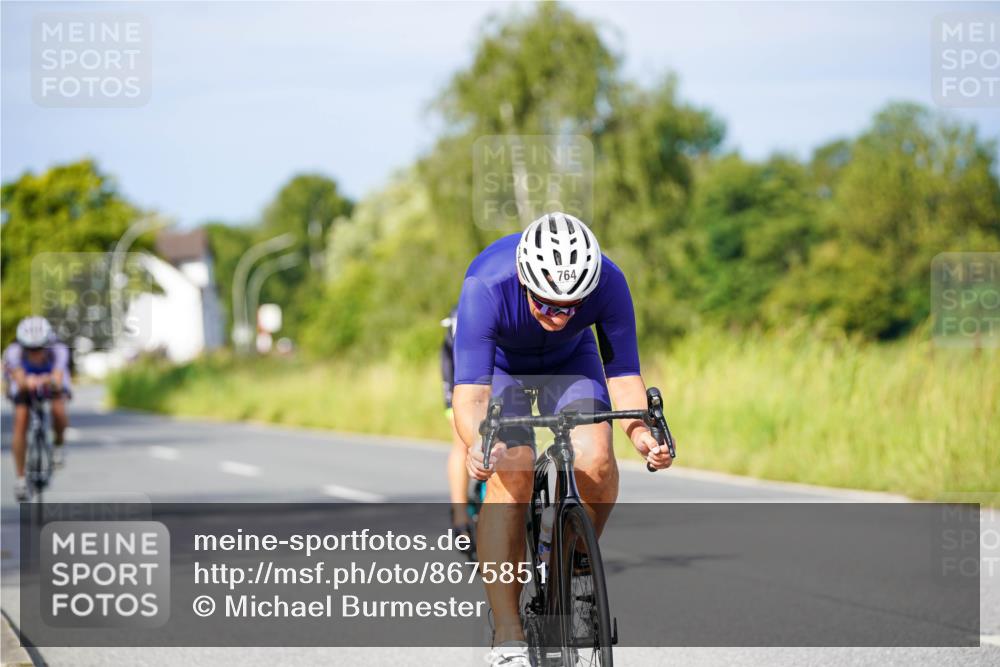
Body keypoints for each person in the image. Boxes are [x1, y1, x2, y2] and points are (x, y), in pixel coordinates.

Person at [451, 212, 673, 666]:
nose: (558, 315)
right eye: (547, 304)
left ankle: (566, 569)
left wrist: (641, 435)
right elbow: (471, 398)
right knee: (512, 471)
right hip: (503, 368)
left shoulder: (609, 282)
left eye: (570, 307)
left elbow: (625, 378)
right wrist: (478, 442)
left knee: (597, 460)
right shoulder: (487, 284)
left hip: (573, 361)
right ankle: (508, 634)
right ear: (526, 281)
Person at [3, 316, 72, 500]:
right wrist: (27, 382)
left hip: (51, 381)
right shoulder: (13, 352)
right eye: (30, 349)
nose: (35, 353)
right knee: (21, 418)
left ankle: (58, 445)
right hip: (25, 383)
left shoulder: (59, 350)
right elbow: (19, 381)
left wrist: (44, 381)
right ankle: (20, 479)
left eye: (40, 348)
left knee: (58, 408)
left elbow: (57, 380)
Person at [440, 307, 473, 542]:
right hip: (458, 370)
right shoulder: (465, 313)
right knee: (462, 439)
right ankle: (460, 516)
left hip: (495, 371)